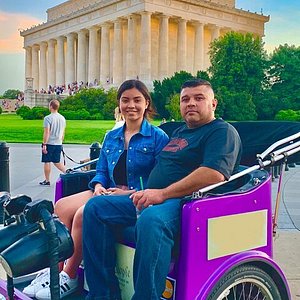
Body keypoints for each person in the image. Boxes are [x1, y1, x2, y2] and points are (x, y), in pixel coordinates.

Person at [82, 79, 242, 299]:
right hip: (152, 197)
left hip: (188, 203)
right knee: (95, 207)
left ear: (213, 104)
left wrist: (161, 194)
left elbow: (214, 173)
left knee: (151, 220)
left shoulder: (222, 131)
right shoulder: (180, 132)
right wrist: (137, 192)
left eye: (199, 98)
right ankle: (103, 294)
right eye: (185, 99)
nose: (191, 103)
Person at [23, 79, 169, 300]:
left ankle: (70, 276)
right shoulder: (112, 136)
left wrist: (126, 193)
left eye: (137, 100)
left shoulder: (158, 137)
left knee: (84, 212)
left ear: (146, 103)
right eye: (125, 100)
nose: (131, 105)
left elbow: (159, 181)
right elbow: (101, 170)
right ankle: (56, 270)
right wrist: (99, 185)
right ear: (119, 104)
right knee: (61, 206)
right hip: (107, 191)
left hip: (134, 196)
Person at [39, 99, 66, 186]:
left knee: (47, 161)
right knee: (57, 162)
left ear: (51, 106)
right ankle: (68, 173)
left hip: (50, 143)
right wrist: (61, 142)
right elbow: (63, 132)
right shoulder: (62, 118)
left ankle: (47, 180)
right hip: (58, 142)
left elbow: (47, 132)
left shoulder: (48, 118)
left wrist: (44, 144)